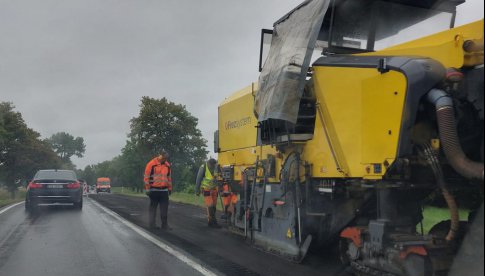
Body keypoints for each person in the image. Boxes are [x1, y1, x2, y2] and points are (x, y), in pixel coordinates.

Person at [144, 150, 172, 230]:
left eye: (166, 158)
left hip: (164, 191)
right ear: (160, 156)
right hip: (153, 190)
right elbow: (146, 177)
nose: (165, 160)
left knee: (164, 208)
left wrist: (170, 188)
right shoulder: (151, 164)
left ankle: (164, 225)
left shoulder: (167, 165)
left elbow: (169, 178)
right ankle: (152, 225)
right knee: (153, 208)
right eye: (164, 158)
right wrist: (147, 188)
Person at [195, 158, 221, 228]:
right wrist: (197, 190)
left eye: (214, 165)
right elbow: (198, 179)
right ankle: (214, 222)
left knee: (214, 206)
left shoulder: (216, 166)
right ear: (209, 163)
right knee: (210, 205)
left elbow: (219, 177)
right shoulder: (203, 167)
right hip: (206, 189)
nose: (213, 166)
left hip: (214, 189)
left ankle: (210, 222)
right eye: (212, 165)